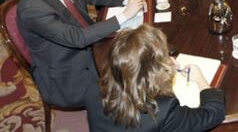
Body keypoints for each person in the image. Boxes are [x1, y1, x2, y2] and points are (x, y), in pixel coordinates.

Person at [17, 0, 146, 131]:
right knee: (132, 66)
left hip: (88, 40)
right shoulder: (33, 9)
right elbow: (76, 38)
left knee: (138, 44)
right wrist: (125, 15)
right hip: (68, 69)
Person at [90, 24, 226, 131]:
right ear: (152, 72)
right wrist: (200, 79)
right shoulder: (165, 111)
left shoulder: (92, 90)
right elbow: (213, 113)